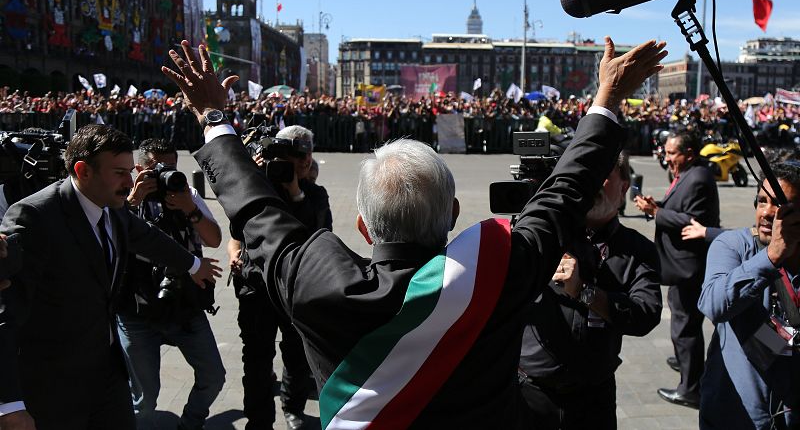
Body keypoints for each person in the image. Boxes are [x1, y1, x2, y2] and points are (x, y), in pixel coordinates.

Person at [164, 36, 666, 428]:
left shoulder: (315, 281)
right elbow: (565, 192)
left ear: (362, 226)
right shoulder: (495, 272)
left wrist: (214, 119)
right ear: (453, 213)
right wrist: (607, 96)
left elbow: (255, 212)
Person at [0, 125, 220, 430]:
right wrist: (9, 404)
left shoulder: (111, 207)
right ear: (84, 171)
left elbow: (147, 237)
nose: (129, 182)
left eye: (129, 171)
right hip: (54, 383)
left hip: (106, 373)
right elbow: (5, 311)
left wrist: (194, 265)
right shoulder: (35, 216)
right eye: (119, 173)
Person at [518, 151, 662, 429]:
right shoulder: (544, 235)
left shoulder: (637, 249)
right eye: (585, 174)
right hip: (529, 393)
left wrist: (585, 291)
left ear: (623, 187)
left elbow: (646, 314)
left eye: (602, 174)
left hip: (592, 399)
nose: (591, 182)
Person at [117, 138, 226, 430]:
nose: (166, 173)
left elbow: (214, 239)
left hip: (184, 304)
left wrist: (190, 208)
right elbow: (110, 238)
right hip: (137, 309)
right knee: (144, 398)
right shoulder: (121, 198)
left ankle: (190, 423)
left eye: (171, 167)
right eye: (157, 168)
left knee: (214, 376)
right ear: (139, 169)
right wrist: (132, 201)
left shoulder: (187, 193)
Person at [229, 125, 332, 430]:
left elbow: (320, 233)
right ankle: (259, 420)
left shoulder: (314, 194)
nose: (302, 162)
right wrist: (251, 178)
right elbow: (237, 227)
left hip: (295, 287)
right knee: (256, 359)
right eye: (294, 156)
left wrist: (296, 193)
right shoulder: (259, 189)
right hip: (256, 286)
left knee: (298, 354)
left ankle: (293, 406)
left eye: (306, 155)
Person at [698, 162, 800, 430]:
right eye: (762, 201)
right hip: (735, 417)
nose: (767, 213)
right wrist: (771, 257)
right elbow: (713, 304)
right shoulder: (733, 246)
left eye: (780, 205)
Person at [634, 129, 720, 409]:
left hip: (688, 267)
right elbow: (679, 209)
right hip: (680, 265)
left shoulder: (697, 178)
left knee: (685, 327)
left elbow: (692, 221)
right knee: (684, 323)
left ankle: (690, 388)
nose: (667, 158)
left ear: (689, 154)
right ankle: (686, 362)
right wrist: (657, 206)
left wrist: (657, 213)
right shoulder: (686, 174)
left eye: (672, 153)